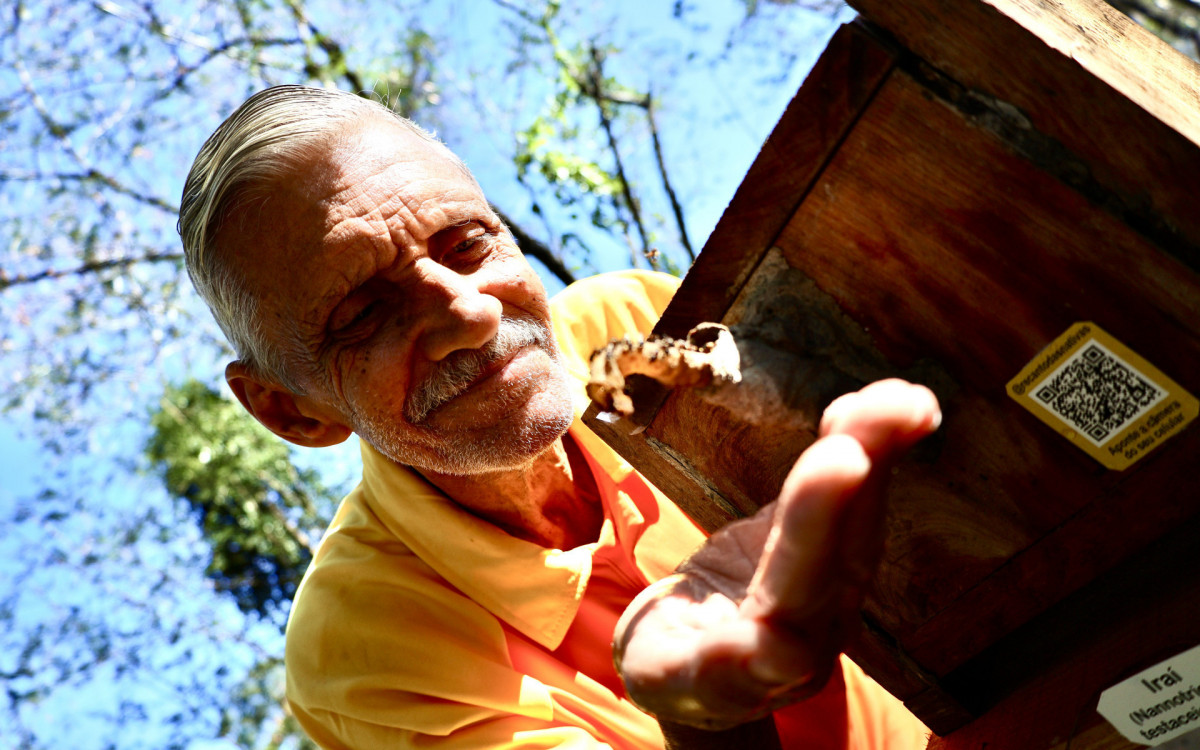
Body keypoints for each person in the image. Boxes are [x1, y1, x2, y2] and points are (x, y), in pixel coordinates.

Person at [178, 85, 941, 749]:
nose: (470, 314)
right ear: (291, 412)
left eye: (469, 243)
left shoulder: (638, 319)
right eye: (364, 314)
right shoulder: (364, 645)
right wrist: (709, 722)